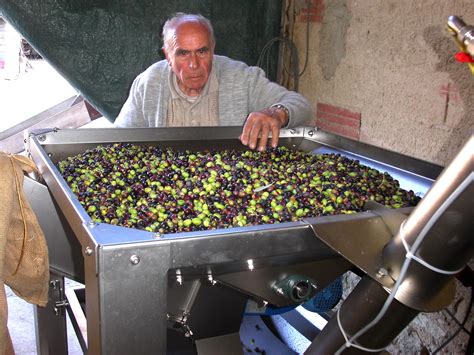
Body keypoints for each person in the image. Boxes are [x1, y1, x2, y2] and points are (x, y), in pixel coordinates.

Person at [115, 13, 313, 151]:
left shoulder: (240, 77)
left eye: (202, 51)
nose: (194, 64)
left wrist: (276, 113)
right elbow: (119, 139)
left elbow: (301, 105)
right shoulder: (149, 84)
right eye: (183, 53)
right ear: (167, 55)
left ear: (213, 48)